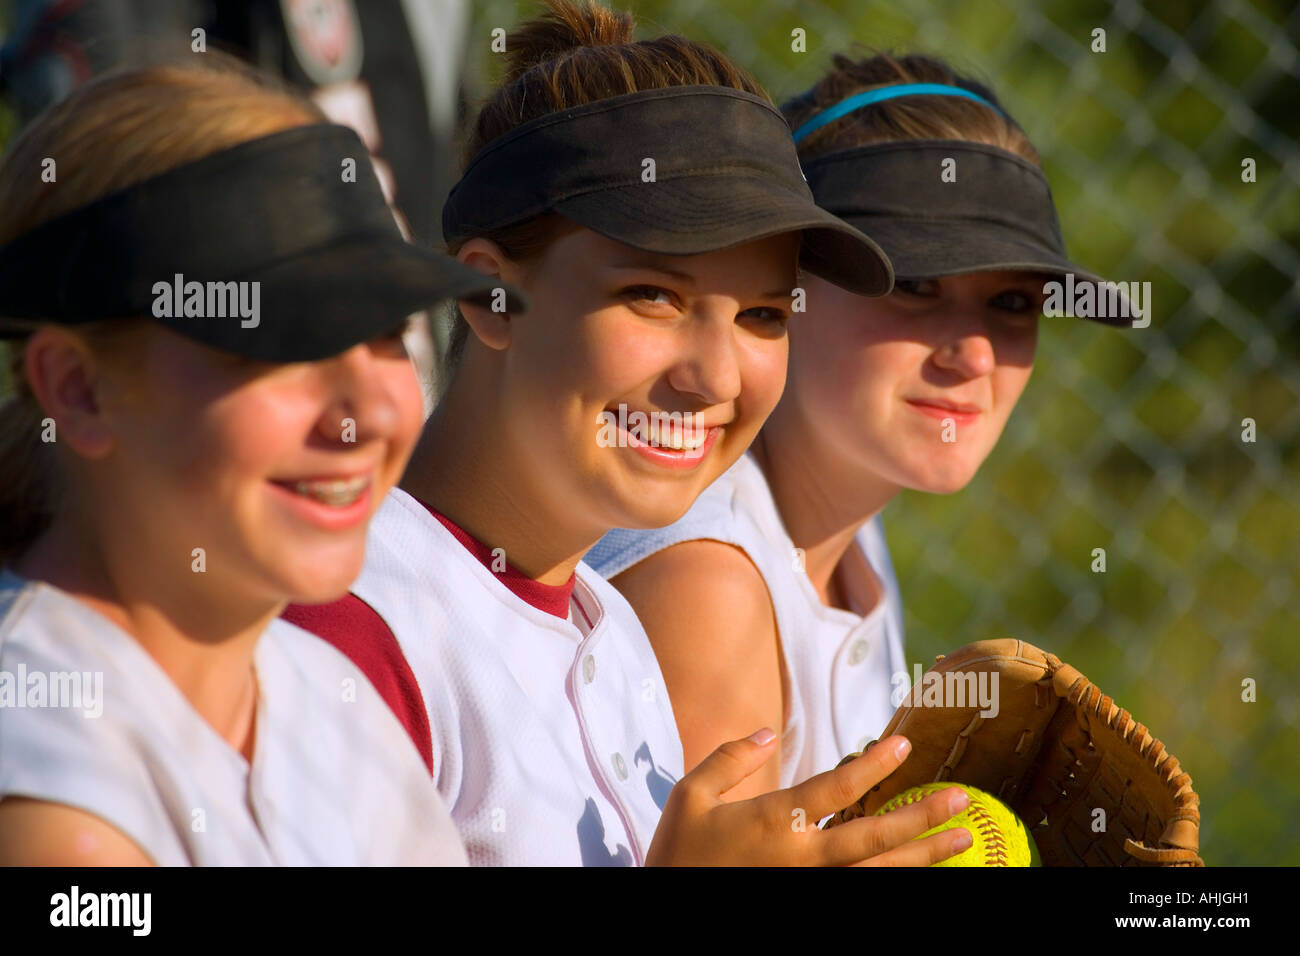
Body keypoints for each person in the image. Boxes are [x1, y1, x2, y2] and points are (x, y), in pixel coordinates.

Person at [287, 1, 975, 867]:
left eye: (764, 313)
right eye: (654, 294)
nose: (717, 377)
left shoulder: (608, 626)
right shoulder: (347, 625)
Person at [0, 58, 514, 865]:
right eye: (286, 345)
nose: (370, 414)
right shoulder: (53, 792)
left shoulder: (319, 692)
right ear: (79, 391)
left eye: (385, 332)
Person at [589, 51, 1133, 800]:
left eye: (1011, 303)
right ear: (786, 282)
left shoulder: (849, 532)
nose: (973, 353)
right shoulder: (710, 585)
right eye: (913, 285)